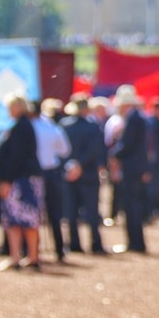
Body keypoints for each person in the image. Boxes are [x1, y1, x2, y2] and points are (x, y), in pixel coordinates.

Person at [0, 93, 45, 272]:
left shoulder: (20, 127)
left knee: (25, 220)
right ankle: (21, 256)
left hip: (20, 180)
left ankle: (28, 256)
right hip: (23, 179)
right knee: (17, 221)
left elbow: (15, 157)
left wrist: (6, 180)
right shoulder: (22, 125)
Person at [59, 93, 108, 254]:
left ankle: (74, 244)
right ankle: (96, 244)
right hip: (89, 175)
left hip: (69, 174)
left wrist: (71, 166)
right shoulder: (93, 127)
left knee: (71, 211)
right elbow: (95, 150)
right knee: (92, 211)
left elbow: (61, 150)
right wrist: (81, 165)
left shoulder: (64, 125)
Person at [108, 85, 149, 254]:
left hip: (131, 169)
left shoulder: (133, 119)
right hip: (136, 168)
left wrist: (114, 153)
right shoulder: (139, 118)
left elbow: (127, 145)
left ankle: (134, 243)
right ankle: (135, 242)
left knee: (130, 206)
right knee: (133, 206)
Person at [31, 98, 72, 263]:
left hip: (33, 173)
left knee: (33, 214)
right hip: (51, 173)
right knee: (55, 213)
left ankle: (32, 251)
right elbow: (65, 150)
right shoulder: (51, 125)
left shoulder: (27, 127)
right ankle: (59, 249)